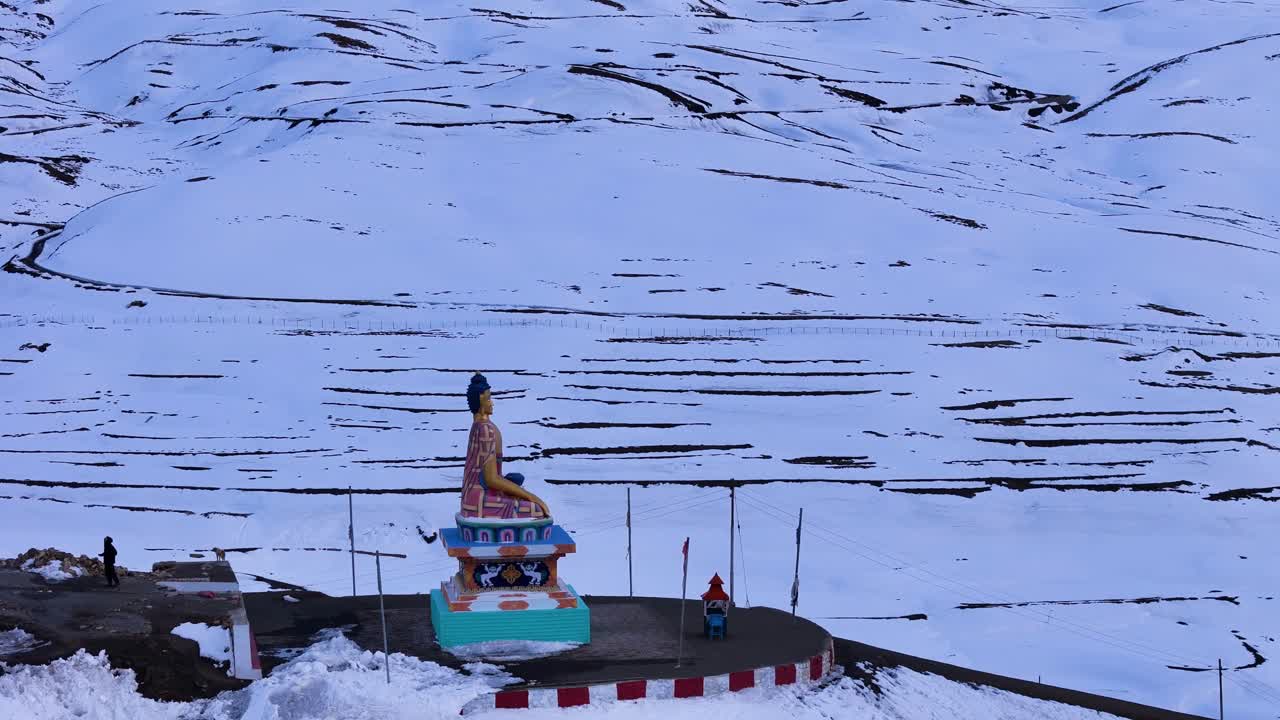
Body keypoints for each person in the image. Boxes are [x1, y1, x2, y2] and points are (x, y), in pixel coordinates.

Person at [459, 373, 551, 519]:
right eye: (489, 398)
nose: (492, 402)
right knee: (536, 509)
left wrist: (509, 483)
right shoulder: (484, 429)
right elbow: (490, 479)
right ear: (480, 401)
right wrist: (531, 496)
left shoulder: (479, 426)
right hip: (480, 499)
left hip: (477, 496)